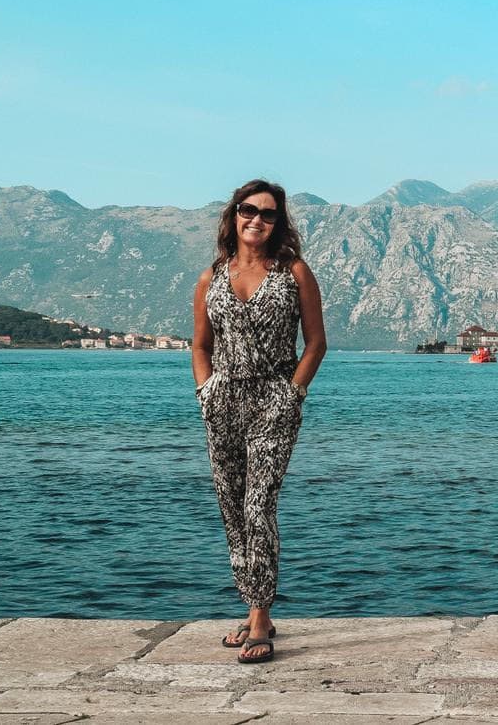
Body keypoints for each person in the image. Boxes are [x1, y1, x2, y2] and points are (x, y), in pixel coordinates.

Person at [191, 179, 327, 664]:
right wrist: (205, 389)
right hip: (222, 401)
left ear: (278, 223)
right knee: (231, 510)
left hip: (274, 399)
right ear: (234, 215)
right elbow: (200, 345)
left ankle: (261, 615)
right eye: (249, 210)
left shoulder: (293, 272)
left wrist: (294, 392)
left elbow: (315, 343)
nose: (257, 220)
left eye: (268, 214)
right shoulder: (211, 277)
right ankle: (254, 613)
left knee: (257, 507)